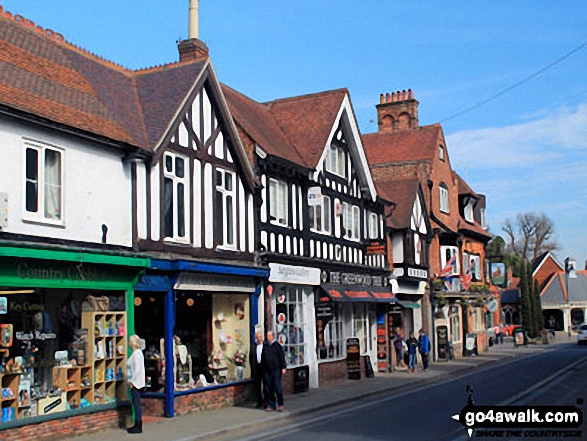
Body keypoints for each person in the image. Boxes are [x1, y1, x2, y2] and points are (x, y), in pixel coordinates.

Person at [261, 330, 286, 412]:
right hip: (267, 370)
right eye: (267, 336)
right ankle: (271, 405)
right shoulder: (265, 346)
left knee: (277, 388)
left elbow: (281, 357)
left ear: (273, 336)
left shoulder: (277, 346)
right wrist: (263, 368)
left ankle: (280, 404)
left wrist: (283, 367)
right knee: (269, 388)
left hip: (276, 370)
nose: (268, 337)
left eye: (269, 336)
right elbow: (263, 357)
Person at [127, 334, 145, 434]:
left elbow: (138, 369)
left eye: (130, 341)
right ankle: (136, 424)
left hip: (136, 383)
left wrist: (132, 382)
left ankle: (138, 426)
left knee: (137, 404)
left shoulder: (137, 354)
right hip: (135, 382)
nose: (129, 343)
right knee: (135, 404)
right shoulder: (135, 354)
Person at [250, 331, 265, 408]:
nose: (259, 339)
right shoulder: (253, 346)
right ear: (255, 338)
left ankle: (267, 402)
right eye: (258, 337)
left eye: (260, 337)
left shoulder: (265, 346)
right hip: (256, 368)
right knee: (257, 386)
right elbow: (251, 358)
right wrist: (253, 368)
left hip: (264, 368)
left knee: (266, 385)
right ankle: (259, 402)